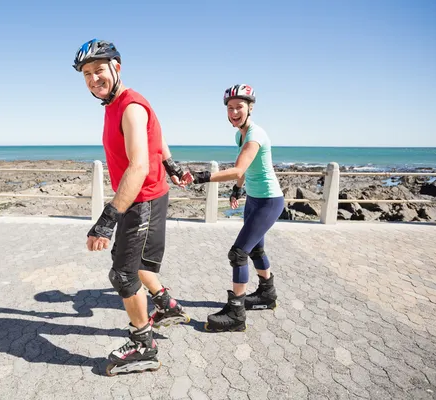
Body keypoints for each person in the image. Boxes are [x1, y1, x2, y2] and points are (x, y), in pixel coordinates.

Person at [73, 38, 190, 375]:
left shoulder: (131, 106)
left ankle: (143, 346)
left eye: (99, 70)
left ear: (116, 68)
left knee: (123, 272)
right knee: (135, 263)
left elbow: (137, 167)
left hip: (142, 200)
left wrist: (107, 220)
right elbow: (159, 137)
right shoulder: (116, 104)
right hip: (146, 196)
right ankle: (167, 305)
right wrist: (173, 165)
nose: (94, 79)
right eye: (86, 74)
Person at [188, 84, 284, 332]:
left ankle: (236, 314)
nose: (234, 112)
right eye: (230, 108)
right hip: (254, 198)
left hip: (269, 200)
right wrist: (238, 190)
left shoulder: (254, 135)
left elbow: (238, 169)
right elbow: (246, 169)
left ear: (250, 108)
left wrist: (202, 177)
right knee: (256, 249)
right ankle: (266, 294)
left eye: (239, 107)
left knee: (238, 253)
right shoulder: (239, 135)